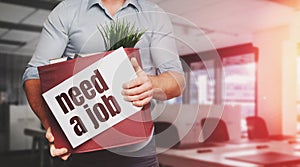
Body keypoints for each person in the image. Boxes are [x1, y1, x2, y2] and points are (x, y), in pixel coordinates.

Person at [22, 0, 185, 166]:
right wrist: (51, 126)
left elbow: (176, 79)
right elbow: (34, 73)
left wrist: (150, 84)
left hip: (138, 151)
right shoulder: (66, 11)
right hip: (81, 149)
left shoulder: (154, 15)